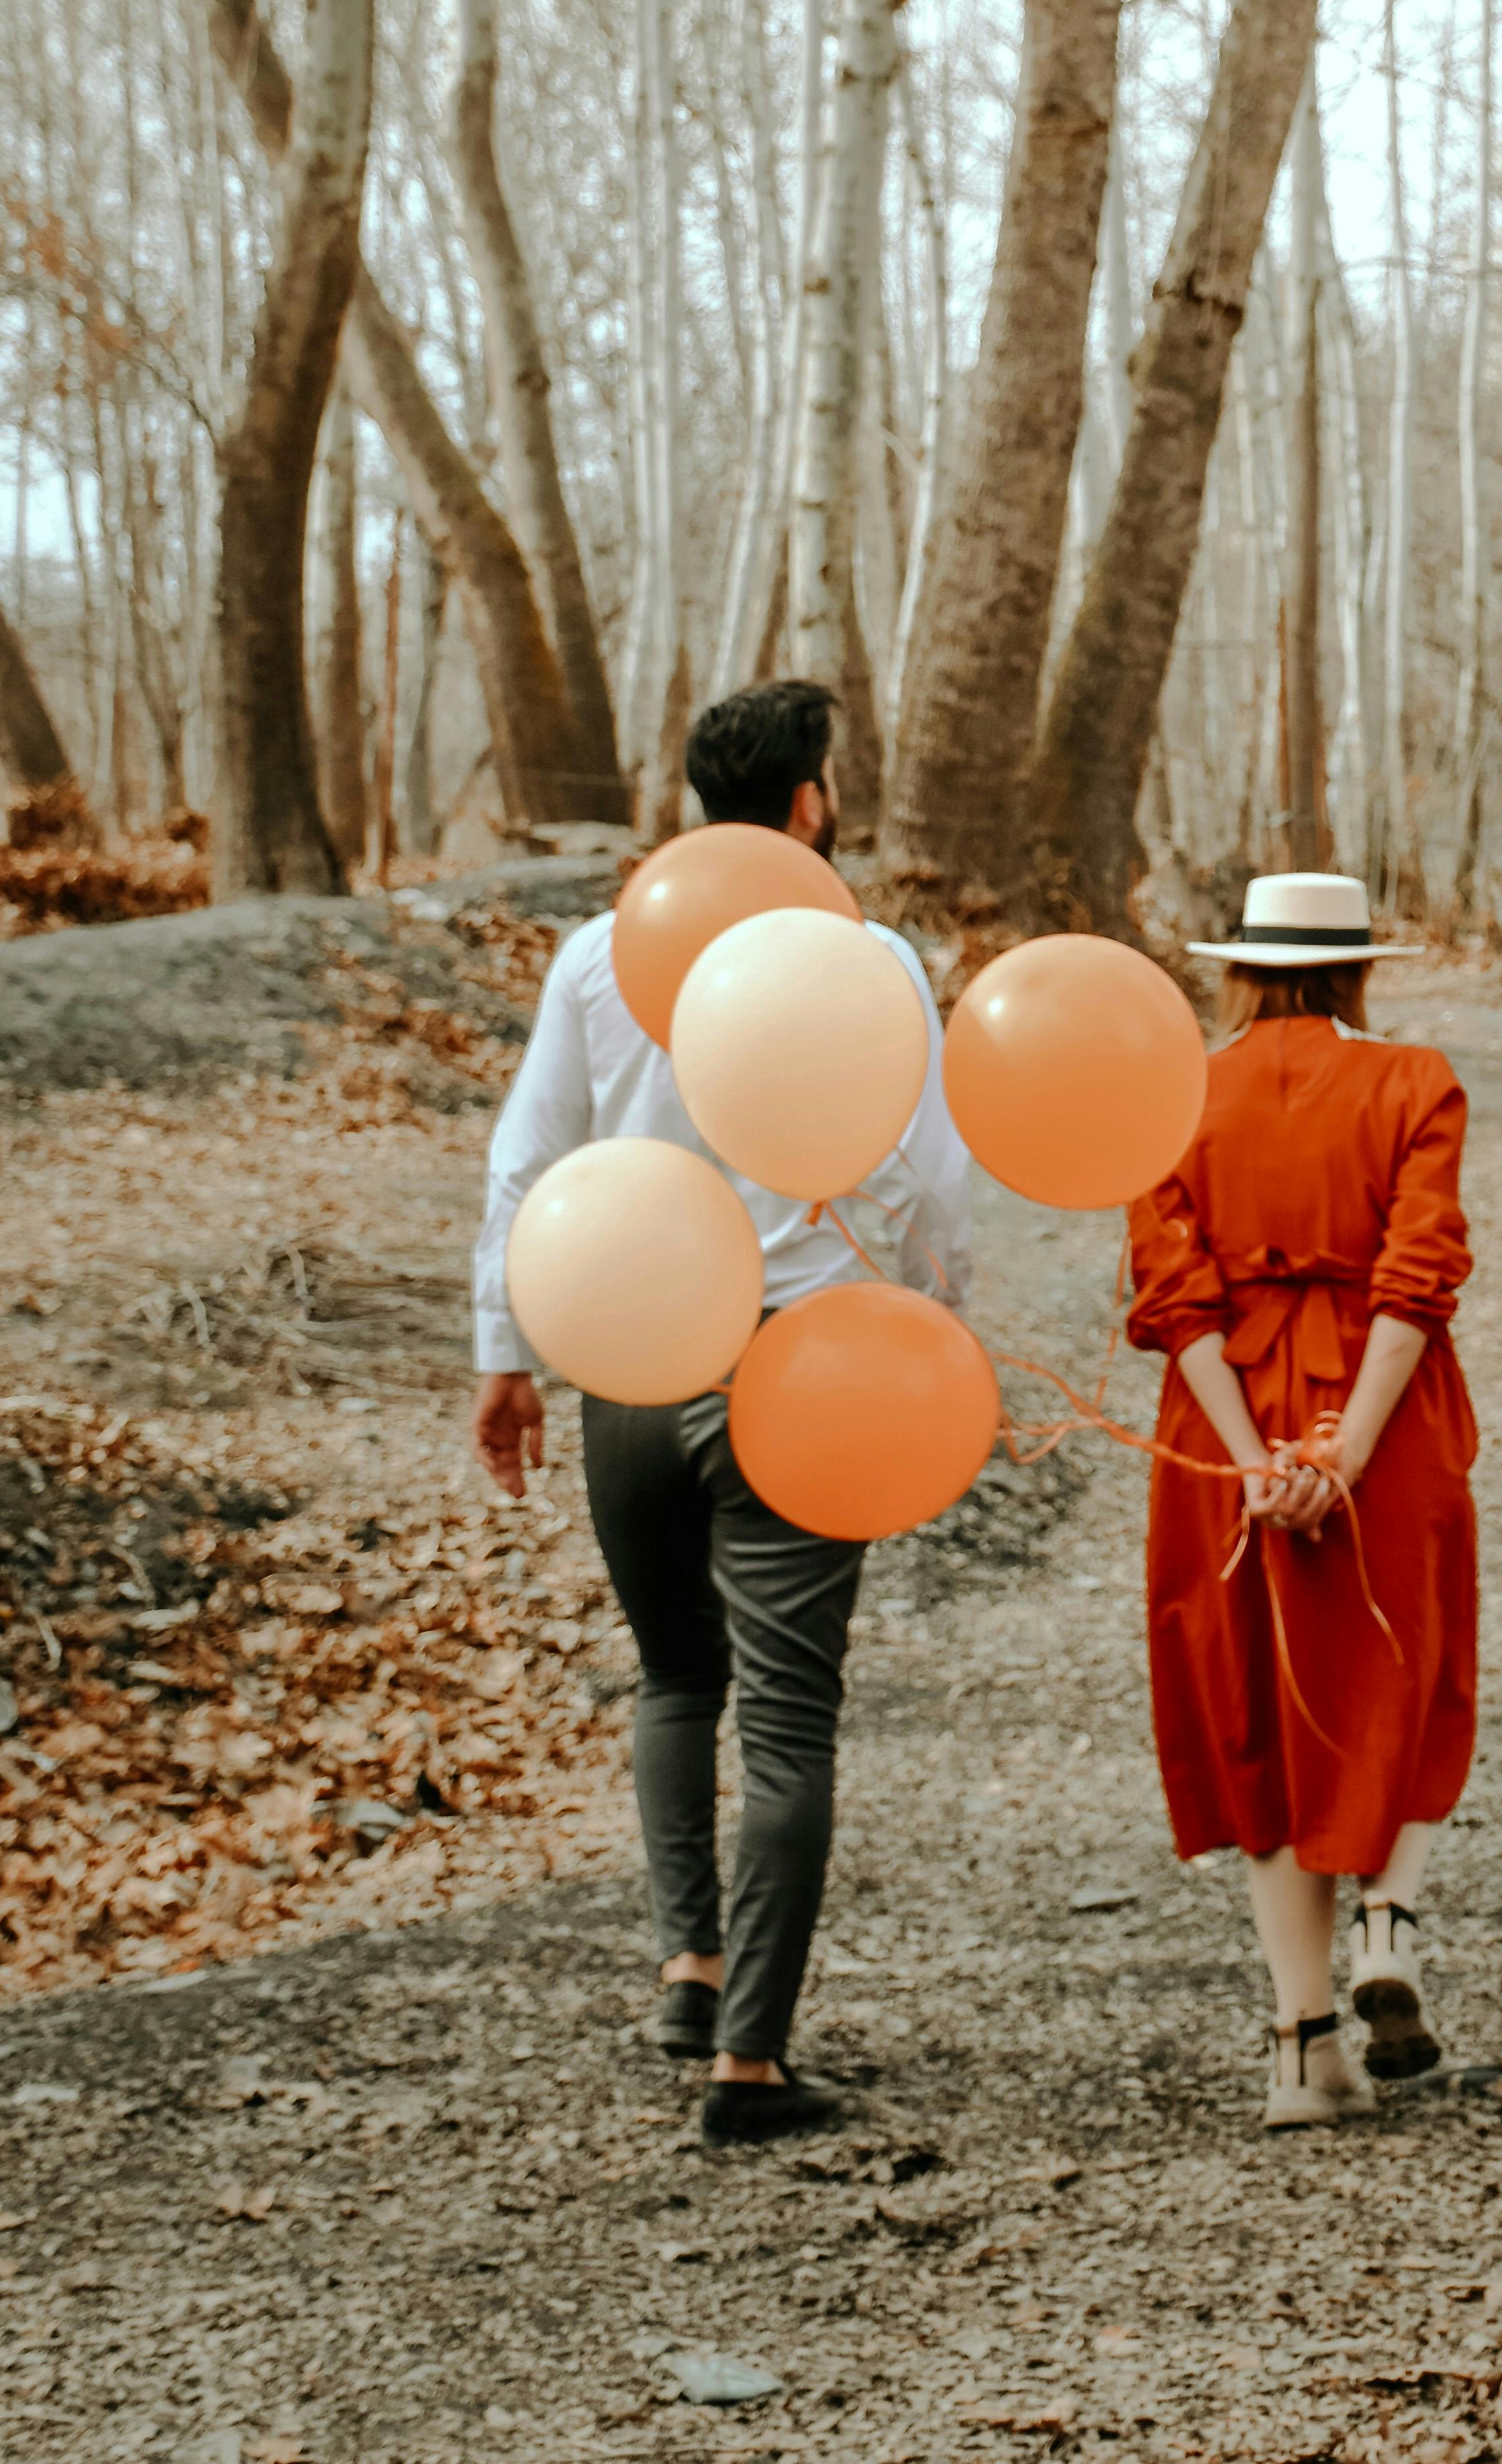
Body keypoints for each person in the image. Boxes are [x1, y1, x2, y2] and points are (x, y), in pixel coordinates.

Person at [470, 680, 971, 2147]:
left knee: (675, 1677)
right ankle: (748, 2063)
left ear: (698, 798)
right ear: (810, 800)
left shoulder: (592, 956)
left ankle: (689, 1963)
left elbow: (525, 1160)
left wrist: (505, 1351)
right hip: (806, 1371)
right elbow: (930, 1177)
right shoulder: (869, 958)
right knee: (791, 1720)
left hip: (628, 1357)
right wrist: (938, 1320)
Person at [1126, 871, 1477, 2131]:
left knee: (1255, 1716)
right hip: (1382, 1415)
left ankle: (1299, 2051)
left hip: (1225, 1428)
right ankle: (1388, 1916)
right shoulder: (1415, 1082)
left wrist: (1256, 1459)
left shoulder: (1173, 1095)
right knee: (1411, 1672)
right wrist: (1345, 1455)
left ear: (1241, 968)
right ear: (1356, 967)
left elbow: (1175, 1300)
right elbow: (1415, 1278)